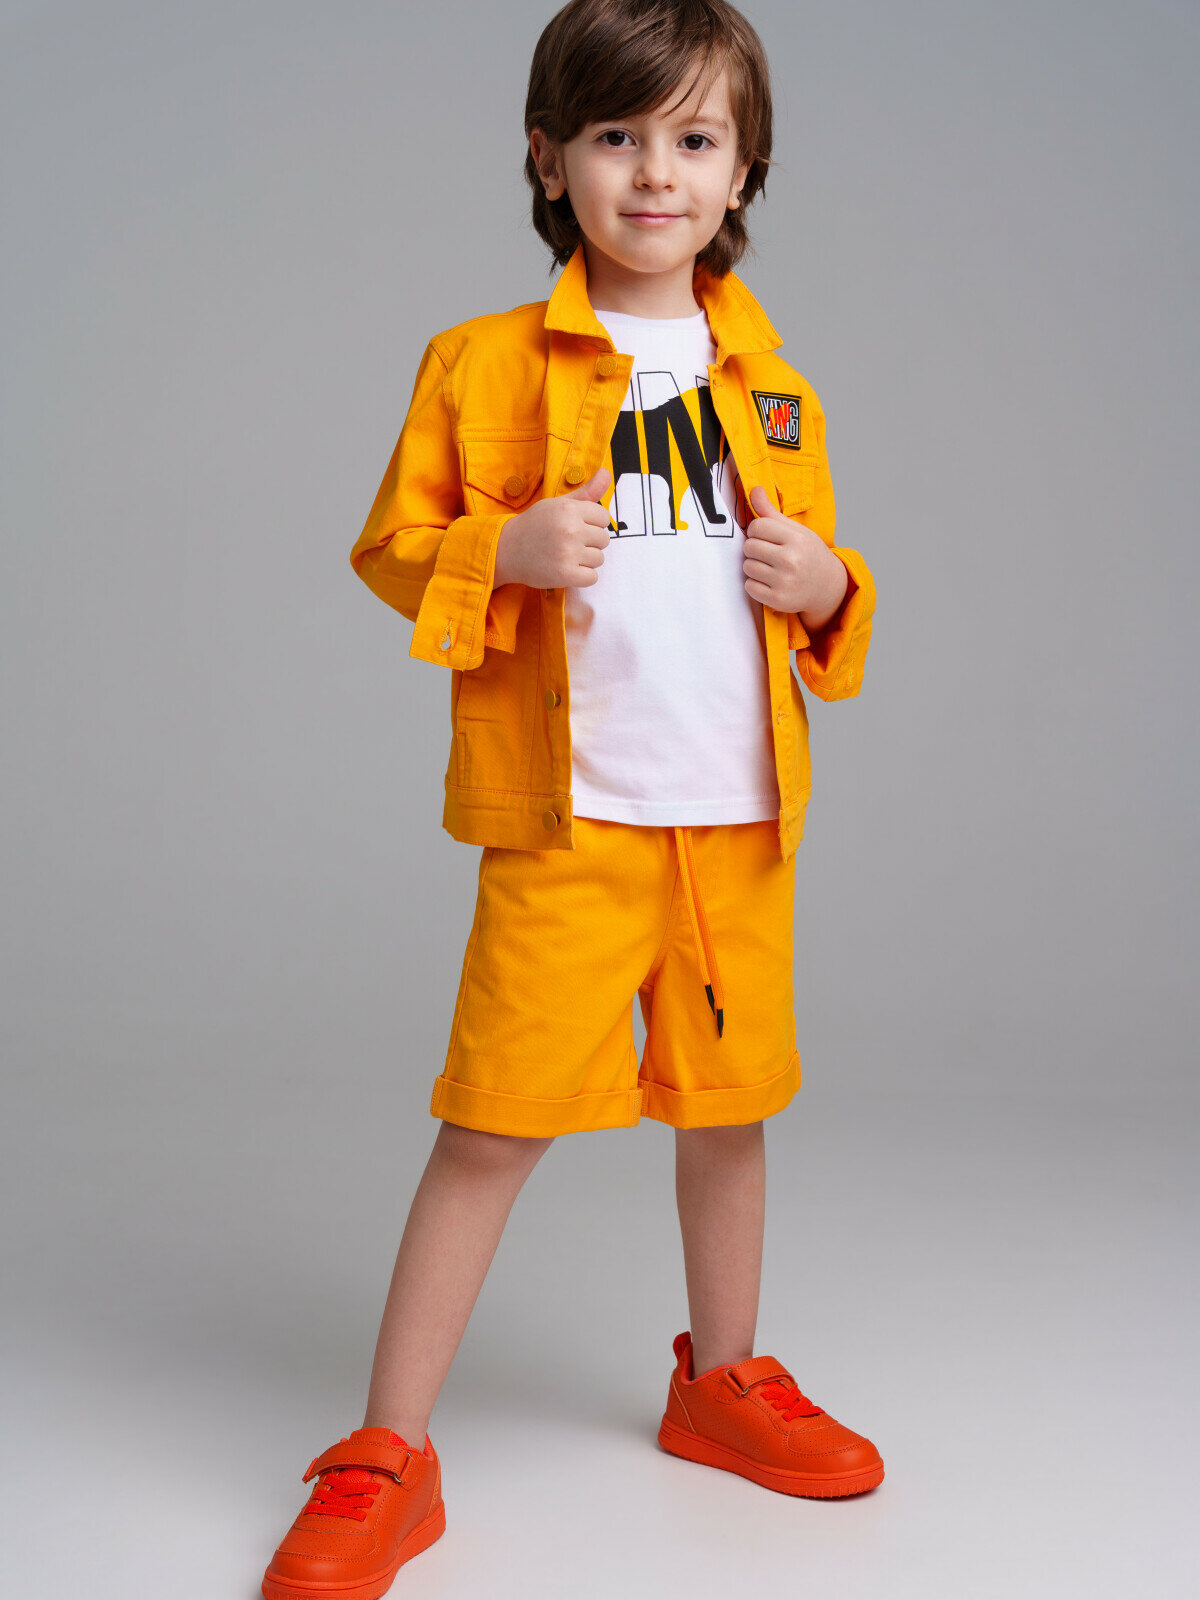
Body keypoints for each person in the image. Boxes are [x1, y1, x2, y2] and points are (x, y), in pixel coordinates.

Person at [262, 2, 880, 1595]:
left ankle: (722, 1382)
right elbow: (393, 548)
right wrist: (503, 551)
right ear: (549, 160)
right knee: (490, 1127)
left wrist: (830, 586)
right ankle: (388, 1449)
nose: (655, 173)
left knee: (727, 1114)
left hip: (736, 827)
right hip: (569, 824)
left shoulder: (775, 384)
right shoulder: (479, 364)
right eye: (617, 136)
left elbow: (820, 596)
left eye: (694, 139)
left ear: (743, 170)